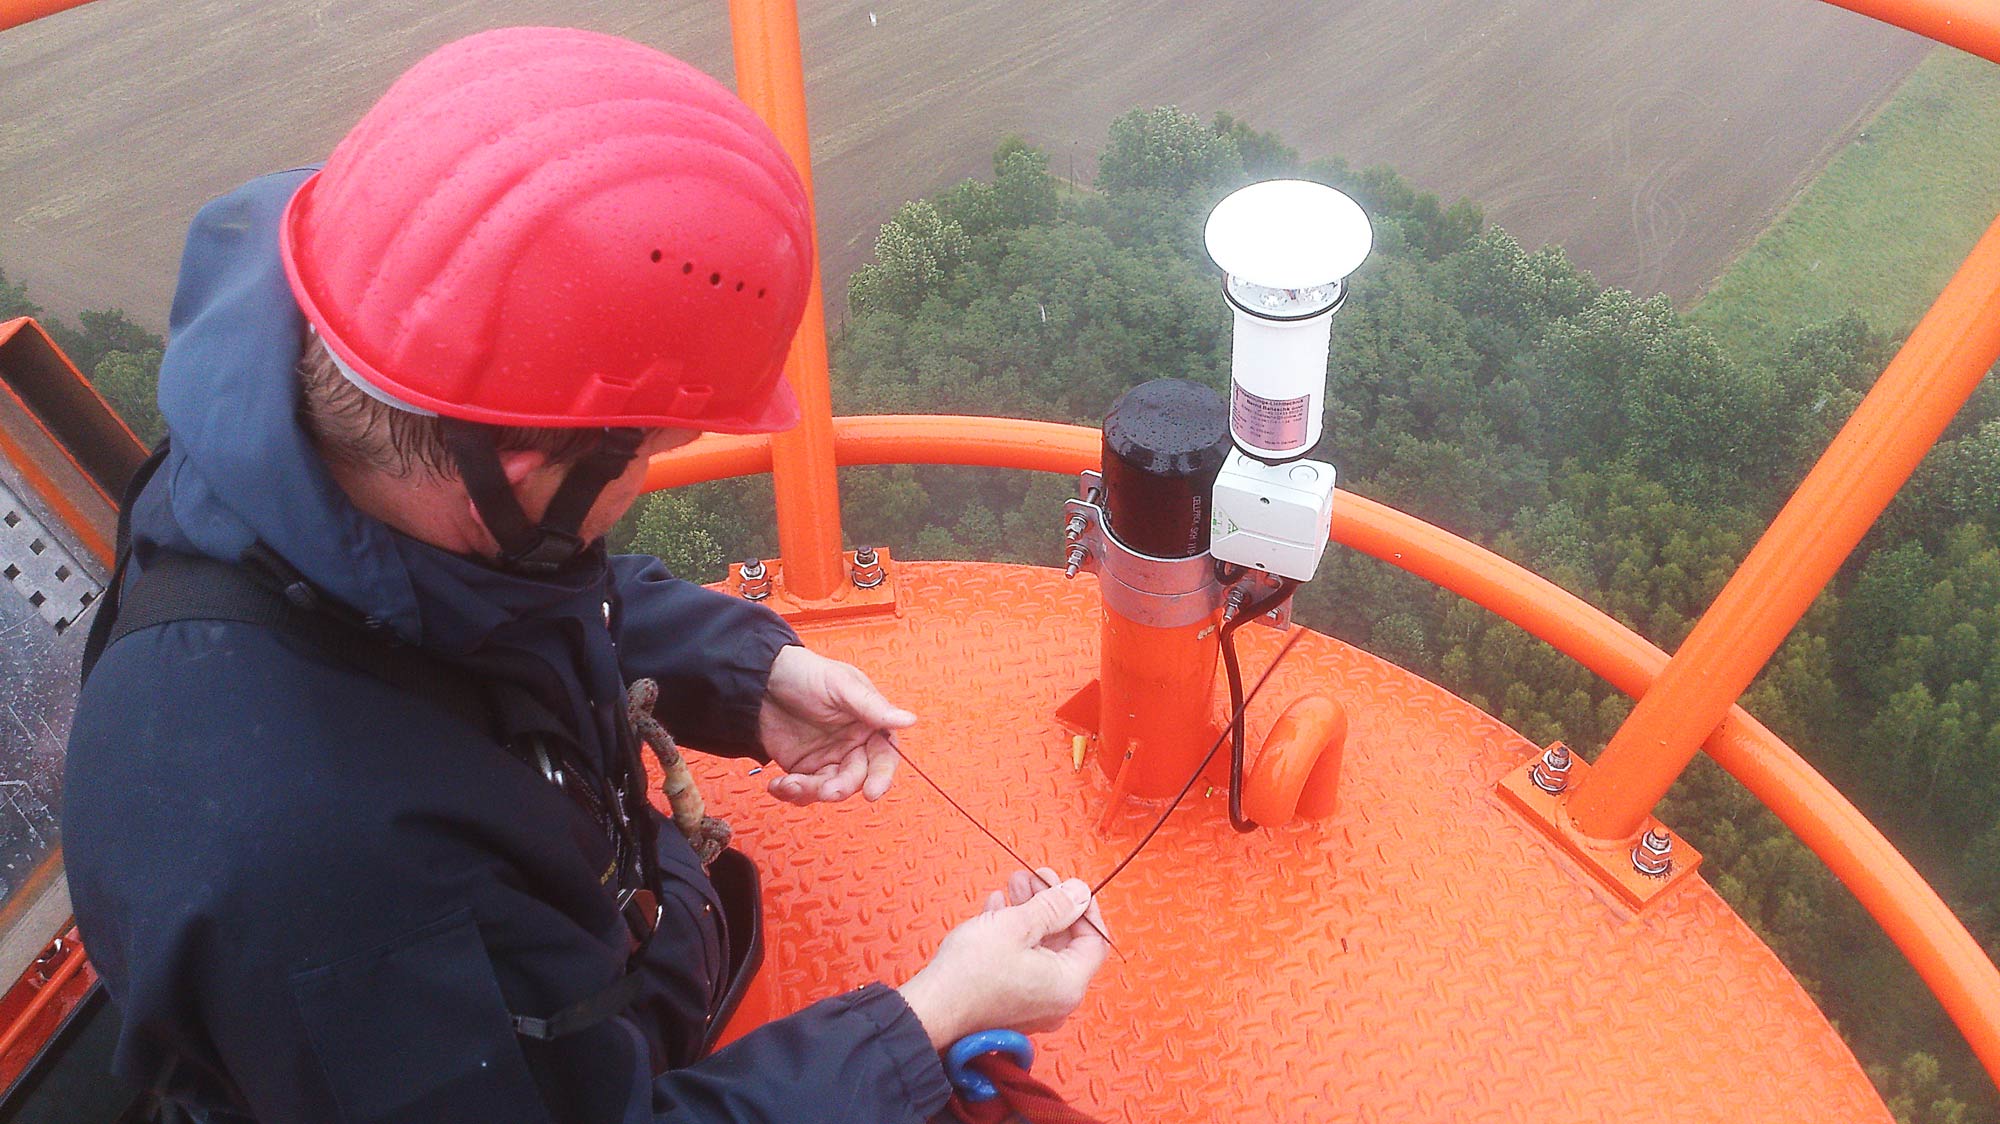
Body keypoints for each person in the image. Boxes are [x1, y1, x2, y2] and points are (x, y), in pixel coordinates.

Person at [62, 26, 1107, 1124]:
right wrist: (926, 1018)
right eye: (646, 460)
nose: (646, 487)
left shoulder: (298, 459)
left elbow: (481, 607)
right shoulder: (317, 880)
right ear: (520, 464)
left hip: (584, 972)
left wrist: (745, 673)